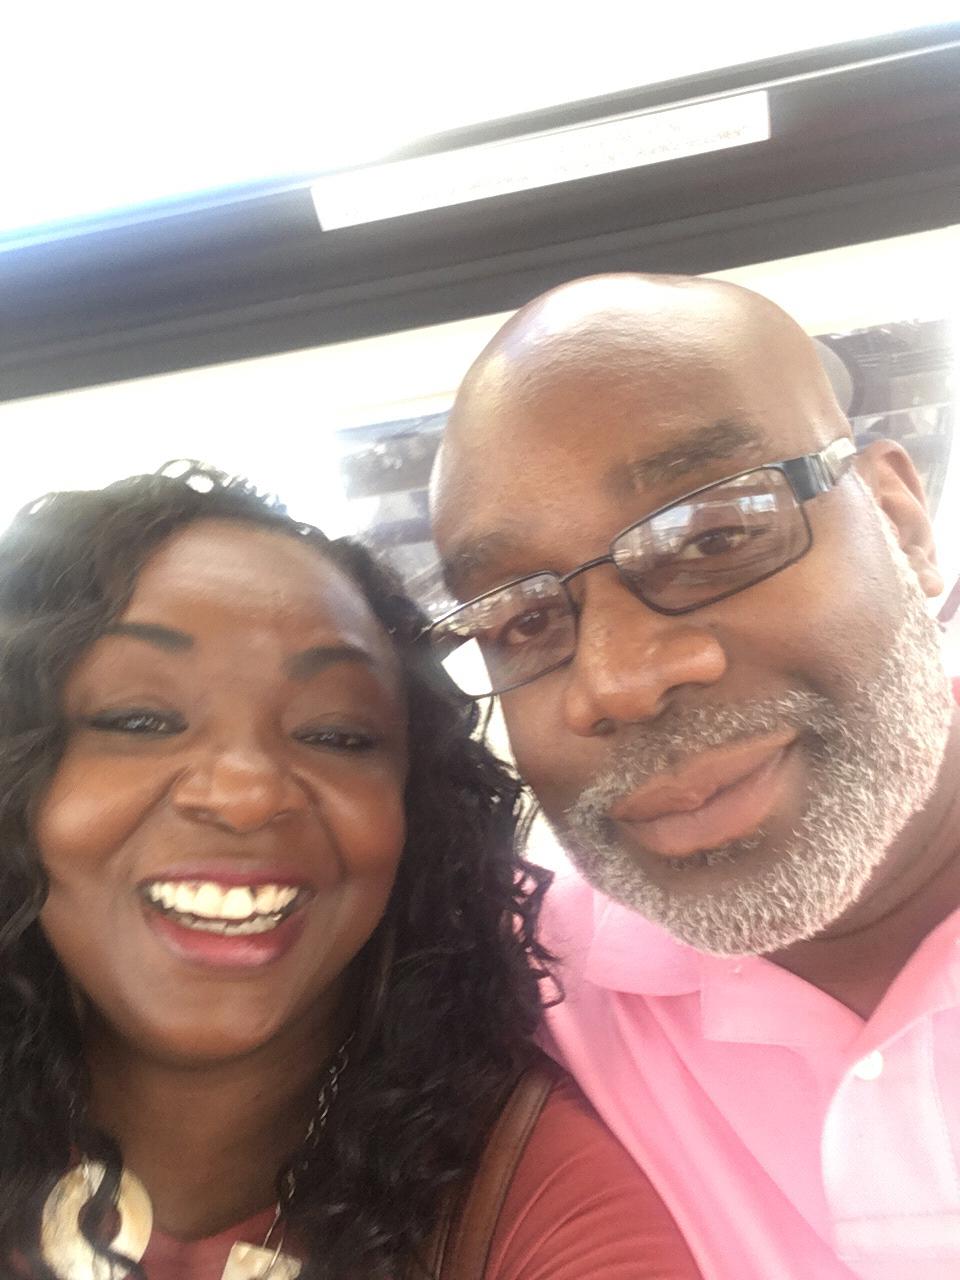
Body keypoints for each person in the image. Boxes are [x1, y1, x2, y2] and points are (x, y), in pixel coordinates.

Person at [0, 464, 701, 1279]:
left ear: (419, 812)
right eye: (139, 719)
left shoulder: (540, 1201)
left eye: (335, 734)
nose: (246, 795)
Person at [429, 273, 960, 1280]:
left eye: (714, 537)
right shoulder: (511, 994)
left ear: (903, 523)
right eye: (523, 619)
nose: (619, 680)